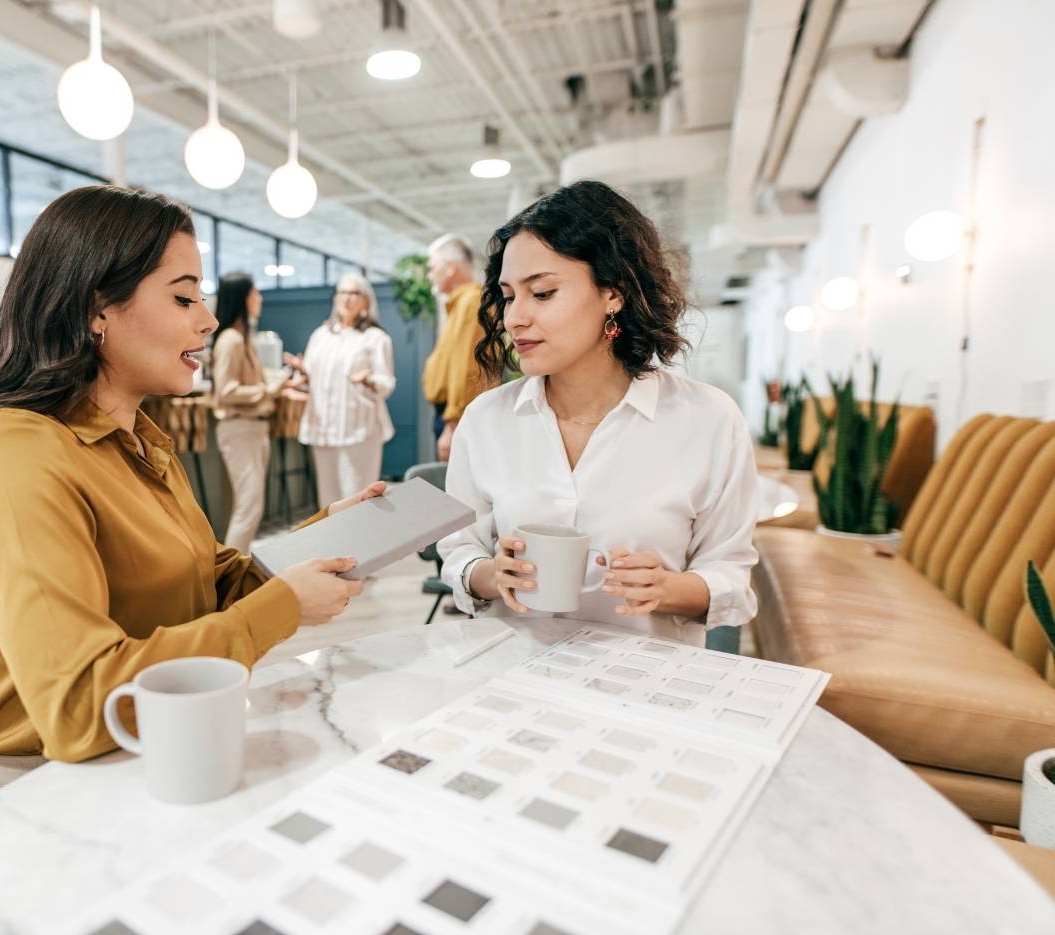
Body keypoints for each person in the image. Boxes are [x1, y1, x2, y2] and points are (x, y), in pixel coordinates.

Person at [0, 186, 384, 800]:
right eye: (183, 297)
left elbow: (205, 586)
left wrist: (327, 535)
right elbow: (81, 706)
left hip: (158, 743)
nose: (208, 318)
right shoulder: (15, 453)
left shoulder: (139, 439)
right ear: (98, 309)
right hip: (47, 786)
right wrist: (279, 607)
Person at [438, 180, 759, 647]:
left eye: (542, 293)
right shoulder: (487, 420)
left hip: (645, 687)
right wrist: (492, 575)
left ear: (614, 293)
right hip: (514, 677)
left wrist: (668, 588)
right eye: (508, 296)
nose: (514, 318)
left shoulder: (708, 419)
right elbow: (458, 553)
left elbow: (731, 578)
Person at [287, 273, 396, 509]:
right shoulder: (320, 335)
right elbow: (313, 381)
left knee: (358, 500)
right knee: (329, 503)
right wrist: (302, 375)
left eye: (354, 293)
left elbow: (386, 383)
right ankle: (335, 548)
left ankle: (363, 547)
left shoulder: (375, 338)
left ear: (366, 300)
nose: (347, 298)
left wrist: (368, 380)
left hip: (359, 429)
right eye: (343, 292)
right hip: (323, 428)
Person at [210, 272, 282, 553]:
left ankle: (235, 573)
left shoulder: (242, 338)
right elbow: (226, 391)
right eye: (255, 292)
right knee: (248, 506)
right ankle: (230, 577)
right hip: (240, 428)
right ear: (242, 297)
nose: (260, 298)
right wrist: (268, 392)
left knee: (251, 505)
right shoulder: (231, 340)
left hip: (253, 428)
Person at [421, 234, 492, 461]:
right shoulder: (460, 304)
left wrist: (452, 426)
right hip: (453, 415)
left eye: (432, 268)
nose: (430, 275)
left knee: (455, 493)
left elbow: (467, 369)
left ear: (450, 268)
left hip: (458, 417)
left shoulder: (471, 302)